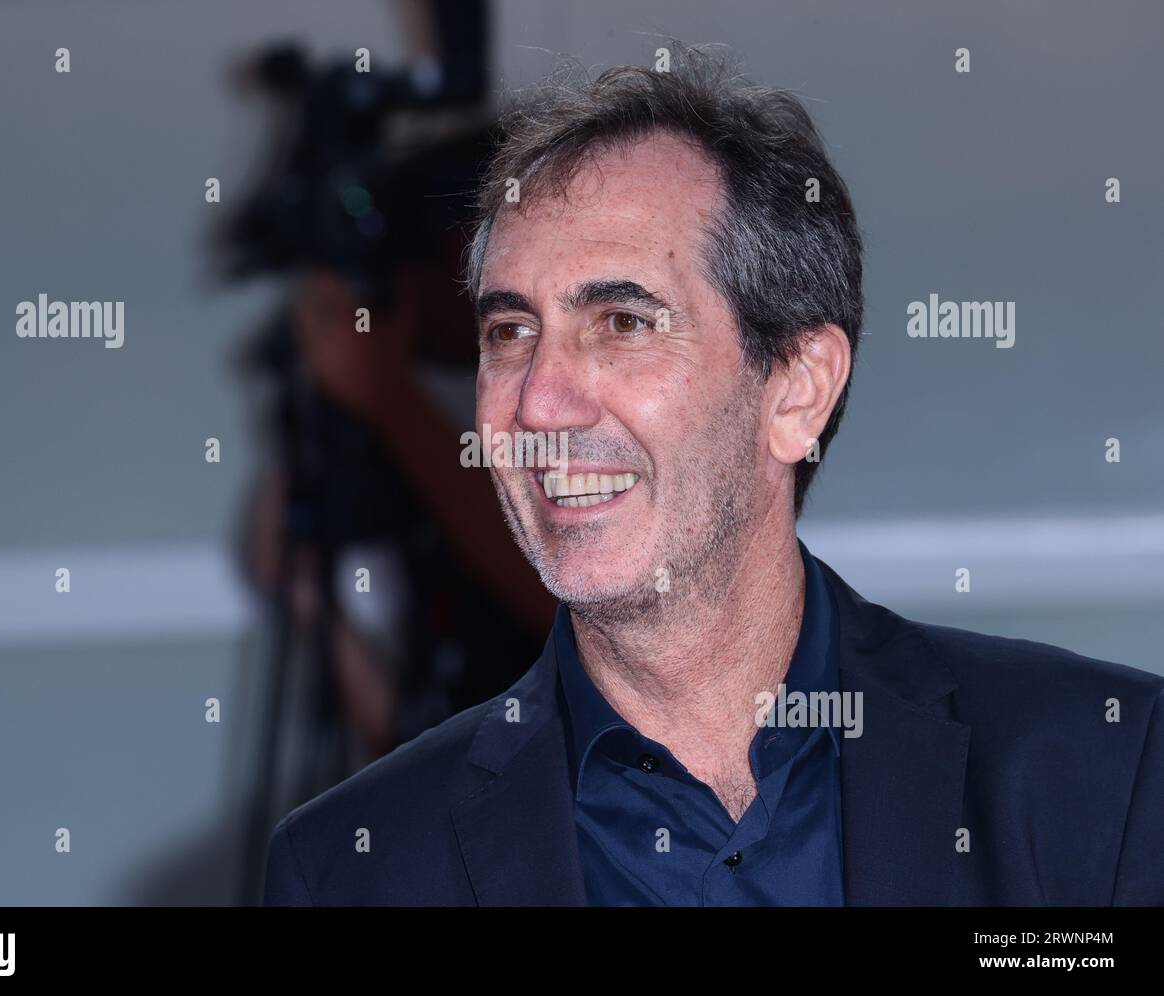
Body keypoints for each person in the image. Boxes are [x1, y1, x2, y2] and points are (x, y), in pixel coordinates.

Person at [262, 46, 1164, 906]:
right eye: (509, 332)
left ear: (797, 391)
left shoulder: (1100, 777)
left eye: (622, 322)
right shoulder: (351, 871)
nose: (537, 404)